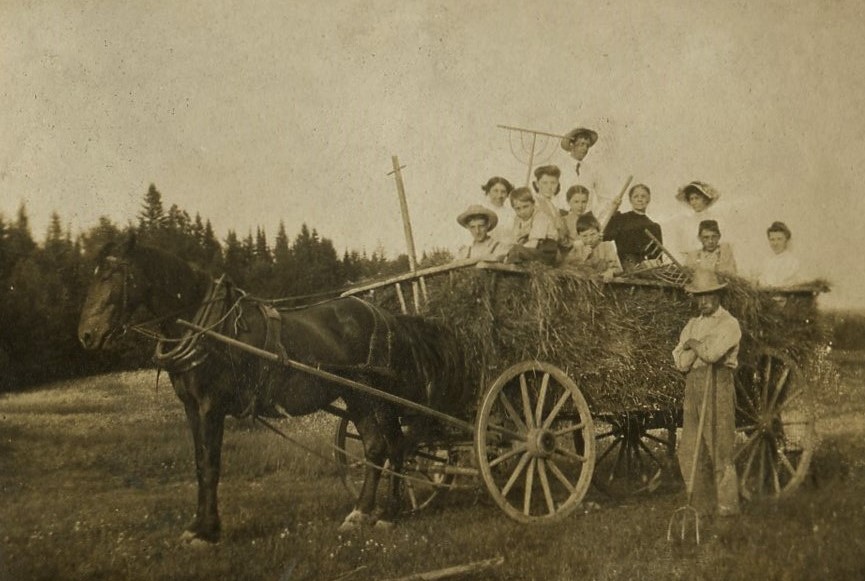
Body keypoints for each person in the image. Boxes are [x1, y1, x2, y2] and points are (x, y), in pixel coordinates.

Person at [672, 269, 741, 518]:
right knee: (689, 449)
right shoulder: (692, 324)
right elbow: (680, 362)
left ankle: (727, 509)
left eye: (708, 296)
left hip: (718, 385)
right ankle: (698, 504)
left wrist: (693, 345)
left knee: (720, 448)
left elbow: (712, 355)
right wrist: (694, 346)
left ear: (718, 295)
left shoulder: (729, 324)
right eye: (699, 297)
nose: (703, 302)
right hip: (694, 386)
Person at [603, 183, 664, 271]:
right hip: (625, 268)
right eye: (636, 196)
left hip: (646, 271)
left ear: (648, 199)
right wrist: (613, 211)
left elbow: (658, 258)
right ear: (630, 200)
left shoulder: (654, 227)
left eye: (643, 196)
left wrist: (651, 264)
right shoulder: (621, 219)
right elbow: (605, 236)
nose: (639, 199)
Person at [560, 126, 611, 220]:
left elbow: (605, 198)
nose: (585, 149)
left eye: (587, 146)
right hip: (564, 217)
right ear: (572, 145)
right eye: (581, 144)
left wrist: (596, 216)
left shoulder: (591, 171)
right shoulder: (560, 168)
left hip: (584, 221)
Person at [506, 187, 559, 266]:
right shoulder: (518, 220)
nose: (522, 212)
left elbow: (533, 244)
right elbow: (515, 239)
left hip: (546, 251)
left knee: (516, 251)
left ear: (533, 204)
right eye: (518, 209)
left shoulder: (540, 217)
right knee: (504, 255)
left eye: (525, 206)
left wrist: (516, 251)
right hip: (530, 251)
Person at [671, 181, 722, 261]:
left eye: (697, 198)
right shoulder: (686, 223)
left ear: (705, 199)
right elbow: (682, 248)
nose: (694, 202)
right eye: (691, 199)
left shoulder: (716, 219)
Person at [564, 213, 622, 281]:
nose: (589, 239)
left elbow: (618, 268)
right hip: (584, 284)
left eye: (593, 234)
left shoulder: (607, 246)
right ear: (579, 236)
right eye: (584, 236)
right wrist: (583, 257)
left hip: (604, 283)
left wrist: (610, 272)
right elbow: (567, 268)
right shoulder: (577, 248)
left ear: (599, 232)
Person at [757, 221, 801, 287]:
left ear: (786, 240)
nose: (775, 243)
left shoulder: (792, 262)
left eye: (779, 239)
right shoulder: (767, 261)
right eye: (772, 239)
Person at [480, 176, 516, 244]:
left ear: (507, 194)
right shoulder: (481, 210)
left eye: (503, 192)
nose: (499, 195)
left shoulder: (512, 214)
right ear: (488, 191)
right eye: (495, 191)